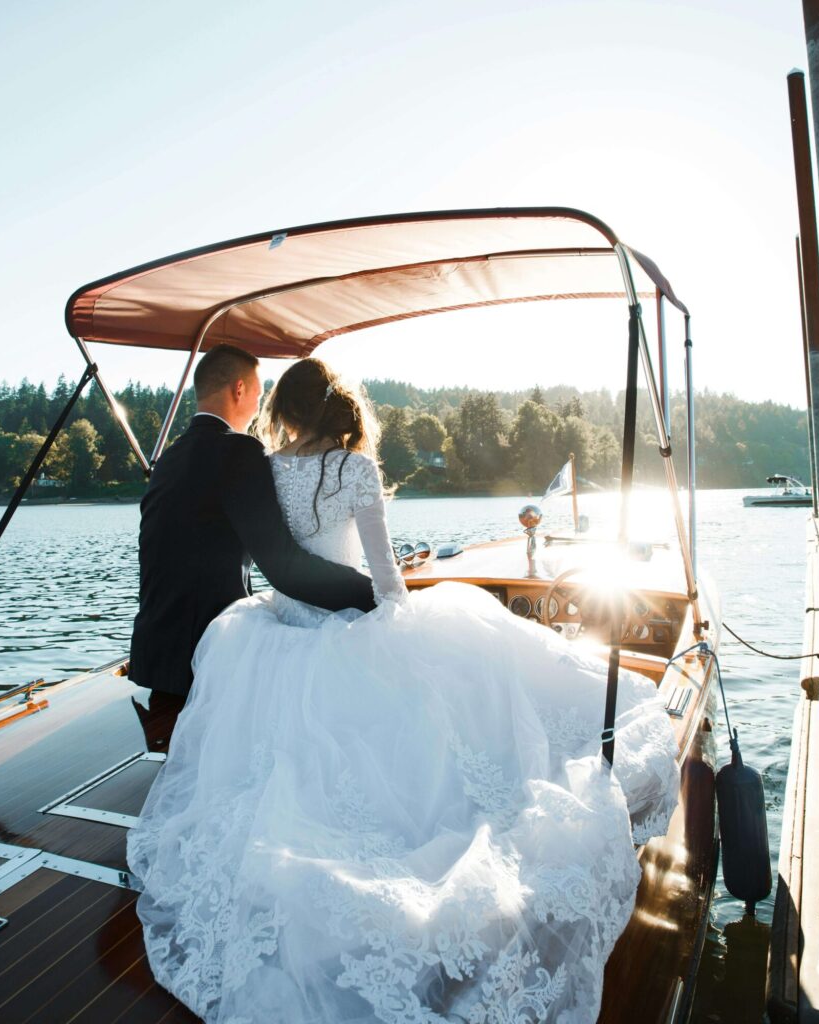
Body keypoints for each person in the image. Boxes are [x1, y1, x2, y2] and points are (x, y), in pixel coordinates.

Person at [127, 358, 680, 1024]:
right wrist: (389, 607)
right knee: (450, 694)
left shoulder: (264, 467)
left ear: (285, 412)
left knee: (290, 765)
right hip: (347, 614)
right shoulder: (354, 470)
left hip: (276, 628)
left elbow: (272, 560)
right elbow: (384, 574)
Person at [128, 345, 375, 697]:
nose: (260, 406)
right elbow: (284, 568)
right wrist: (374, 595)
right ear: (239, 389)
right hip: (208, 655)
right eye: (258, 395)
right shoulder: (239, 451)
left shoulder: (169, 457)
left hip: (153, 656)